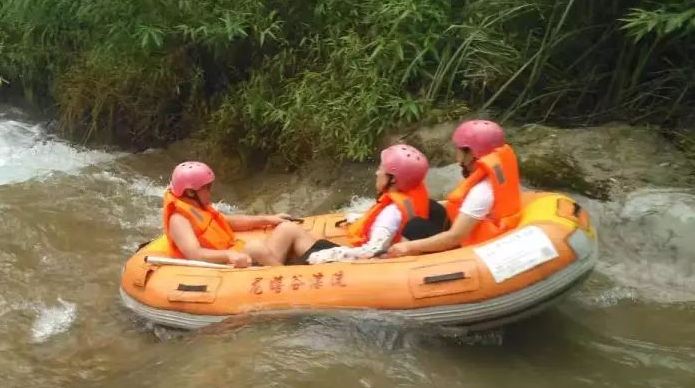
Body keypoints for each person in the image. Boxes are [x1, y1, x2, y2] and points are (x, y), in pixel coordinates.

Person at [387, 119, 521, 258]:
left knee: (416, 226)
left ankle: (399, 261)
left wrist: (407, 246)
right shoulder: (497, 175)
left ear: (471, 153)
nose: (457, 157)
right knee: (431, 207)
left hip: (470, 247)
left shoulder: (482, 191)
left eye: (459, 150)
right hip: (482, 225)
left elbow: (456, 236)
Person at [163, 161, 328, 267]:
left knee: (288, 228)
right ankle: (289, 279)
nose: (210, 192)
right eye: (206, 188)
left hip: (240, 258)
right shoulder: (178, 220)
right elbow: (195, 254)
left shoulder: (201, 208)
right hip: (223, 267)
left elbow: (228, 222)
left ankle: (330, 261)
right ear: (190, 192)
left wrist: (266, 219)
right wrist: (228, 255)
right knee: (255, 247)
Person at [306, 144, 446, 264]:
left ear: (392, 180)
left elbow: (373, 251)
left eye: (381, 169)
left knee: (304, 245)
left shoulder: (391, 213)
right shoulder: (410, 199)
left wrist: (327, 255)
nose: (377, 172)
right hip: (398, 242)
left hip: (378, 263)